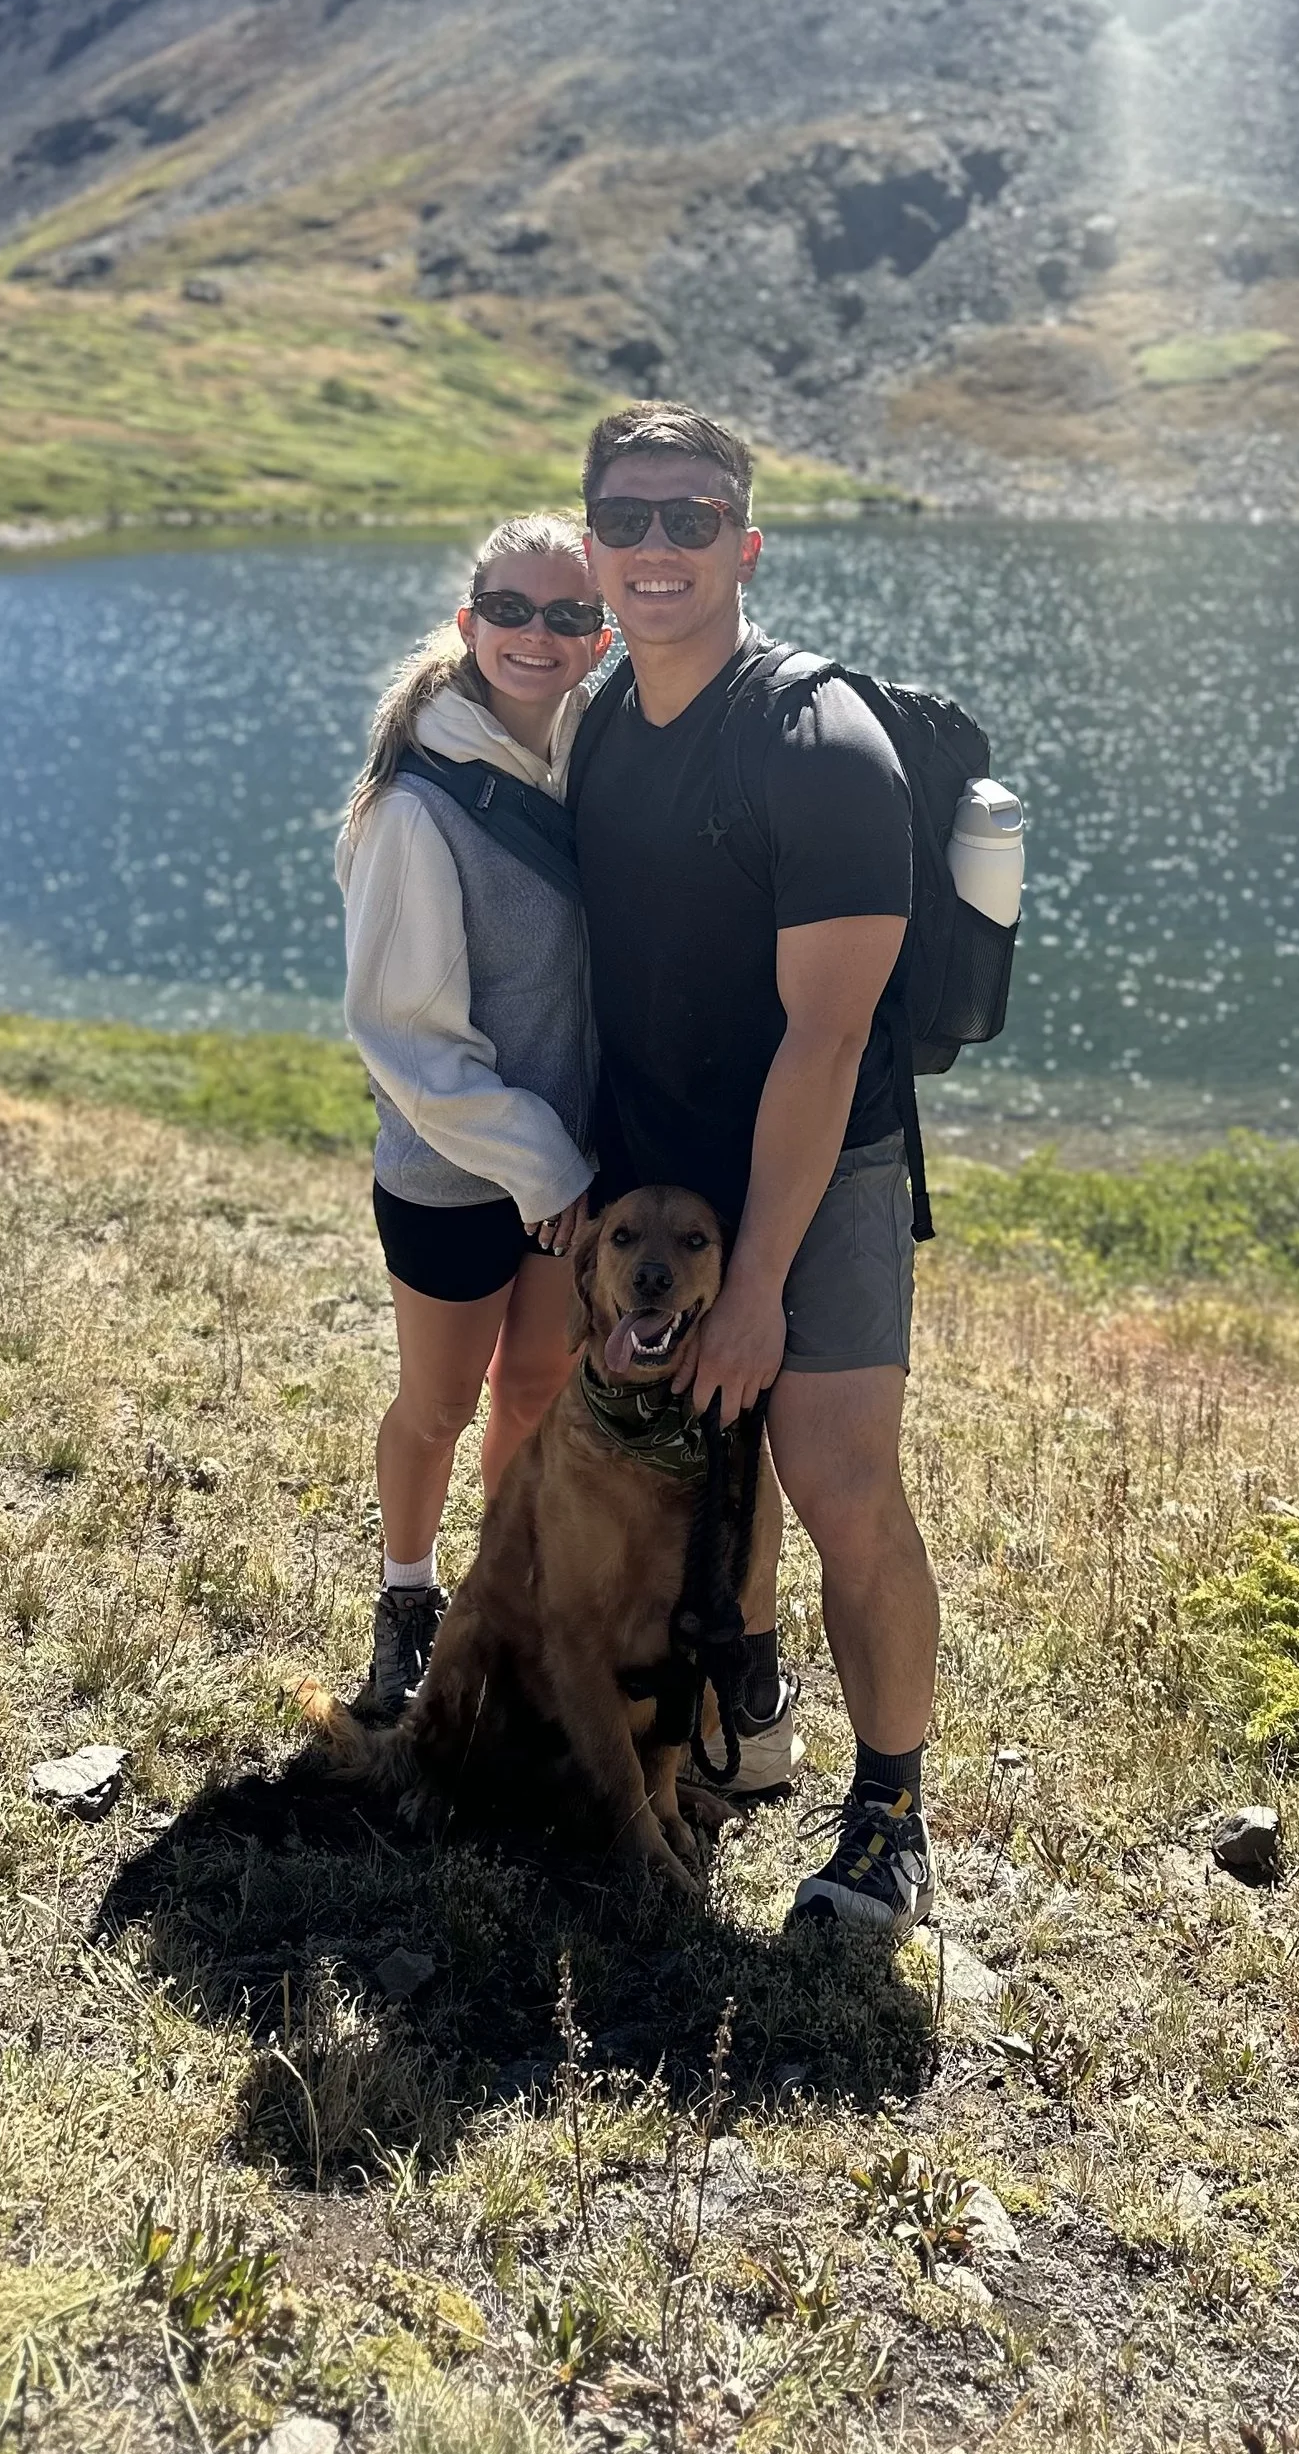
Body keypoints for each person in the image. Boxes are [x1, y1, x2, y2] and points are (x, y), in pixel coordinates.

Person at [571, 403, 941, 1940]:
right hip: (665, 1177)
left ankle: (893, 1816)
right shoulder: (602, 714)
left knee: (835, 1477)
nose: (658, 548)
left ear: (747, 540)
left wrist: (764, 1284)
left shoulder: (819, 740)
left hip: (820, 1169)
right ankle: (754, 1715)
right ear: (592, 541)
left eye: (692, 517)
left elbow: (830, 1034)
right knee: (717, 1461)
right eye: (628, 517)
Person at [336, 514, 609, 1720]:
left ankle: (507, 1594)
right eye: (511, 611)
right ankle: (407, 1601)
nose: (536, 636)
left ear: (599, 636)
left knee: (538, 1393)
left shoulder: (596, 755)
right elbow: (410, 1043)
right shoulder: (417, 808)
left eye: (566, 615)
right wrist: (550, 1167)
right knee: (439, 1404)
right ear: (468, 623)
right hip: (459, 1175)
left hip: (571, 1174)